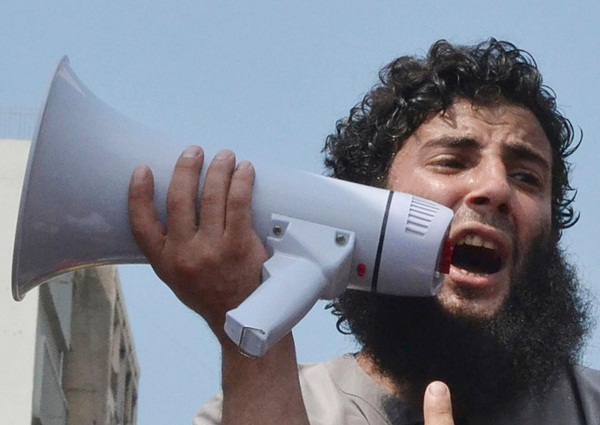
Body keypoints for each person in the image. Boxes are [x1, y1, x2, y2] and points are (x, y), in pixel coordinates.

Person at [128, 39, 600, 424]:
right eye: (452, 162)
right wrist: (251, 351)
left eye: (526, 177)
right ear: (370, 199)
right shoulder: (252, 405)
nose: (495, 188)